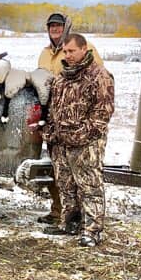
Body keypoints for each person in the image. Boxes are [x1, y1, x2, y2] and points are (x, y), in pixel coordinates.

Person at [42, 33, 114, 247]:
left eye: (72, 51)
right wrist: (51, 132)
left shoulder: (99, 76)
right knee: (66, 185)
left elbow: (103, 113)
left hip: (87, 144)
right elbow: (54, 109)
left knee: (89, 186)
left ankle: (92, 231)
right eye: (65, 51)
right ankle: (70, 224)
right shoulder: (62, 77)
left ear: (84, 49)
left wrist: (81, 136)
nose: (68, 55)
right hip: (61, 143)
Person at [36, 13, 105, 225]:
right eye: (51, 26)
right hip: (57, 123)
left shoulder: (87, 51)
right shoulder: (45, 53)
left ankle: (90, 226)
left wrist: (84, 131)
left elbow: (99, 96)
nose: (54, 29)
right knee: (60, 175)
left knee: (86, 180)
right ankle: (60, 214)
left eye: (58, 25)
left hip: (81, 127)